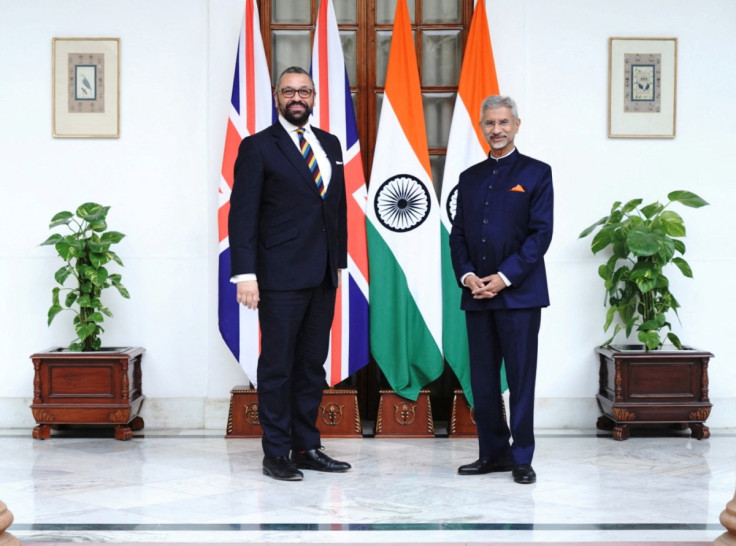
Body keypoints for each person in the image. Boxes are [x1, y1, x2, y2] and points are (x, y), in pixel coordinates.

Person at [229, 66, 350, 481]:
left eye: (304, 91)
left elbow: (336, 210)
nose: (297, 98)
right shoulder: (258, 147)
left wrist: (340, 265)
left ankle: (307, 446)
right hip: (277, 277)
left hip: (322, 277)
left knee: (311, 366)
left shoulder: (331, 144)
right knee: (278, 366)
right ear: (277, 97)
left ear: (314, 97)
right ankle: (276, 452)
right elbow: (241, 216)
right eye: (289, 91)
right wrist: (245, 273)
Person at [449, 95, 553, 484]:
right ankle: (492, 453)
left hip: (520, 296)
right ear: (481, 127)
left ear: (517, 125)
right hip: (476, 295)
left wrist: (504, 277)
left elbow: (540, 235)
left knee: (522, 378)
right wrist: (468, 275)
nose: (496, 130)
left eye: (503, 123)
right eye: (489, 123)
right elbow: (457, 236)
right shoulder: (470, 177)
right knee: (484, 380)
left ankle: (522, 457)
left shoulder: (538, 173)